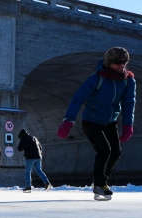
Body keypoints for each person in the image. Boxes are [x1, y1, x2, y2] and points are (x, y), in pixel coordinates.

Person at [57, 47, 136, 200]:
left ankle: (100, 181)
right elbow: (78, 98)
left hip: (110, 121)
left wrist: (128, 125)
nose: (122, 65)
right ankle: (100, 184)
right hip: (91, 121)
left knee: (115, 153)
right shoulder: (97, 78)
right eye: (118, 62)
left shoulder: (128, 81)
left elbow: (129, 104)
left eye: (124, 62)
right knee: (104, 151)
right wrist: (68, 121)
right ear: (109, 62)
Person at [17, 128, 52, 192]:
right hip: (38, 157)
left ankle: (28, 187)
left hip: (30, 157)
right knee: (39, 171)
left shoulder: (24, 139)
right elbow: (40, 147)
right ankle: (47, 183)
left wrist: (23, 144)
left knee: (28, 172)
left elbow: (19, 148)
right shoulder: (34, 137)